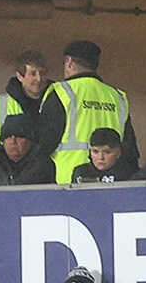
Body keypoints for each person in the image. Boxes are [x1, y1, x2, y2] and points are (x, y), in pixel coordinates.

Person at [44, 39, 128, 184]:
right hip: (111, 180)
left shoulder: (62, 92)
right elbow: (129, 144)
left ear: (69, 61)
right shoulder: (117, 96)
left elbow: (45, 141)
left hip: (68, 180)